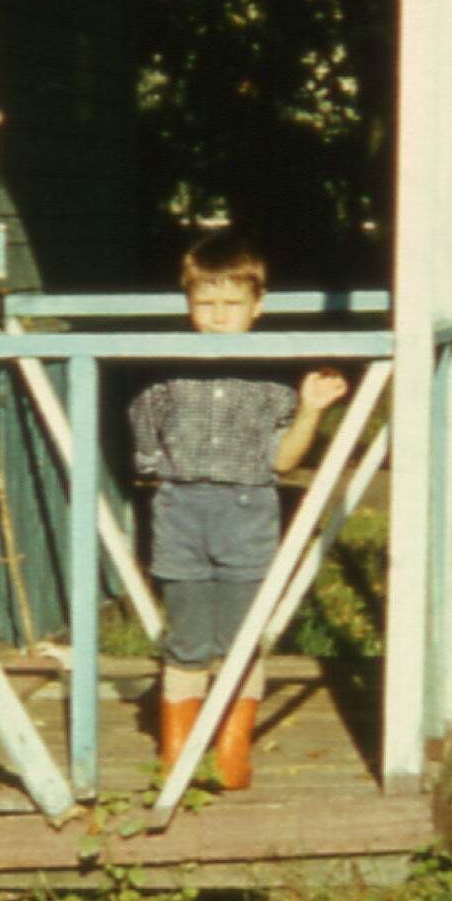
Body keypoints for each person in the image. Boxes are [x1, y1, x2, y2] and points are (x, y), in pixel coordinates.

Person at [127, 230, 347, 790]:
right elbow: (145, 436)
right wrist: (156, 473)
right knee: (187, 638)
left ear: (257, 306)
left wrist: (311, 411)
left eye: (231, 305)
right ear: (188, 304)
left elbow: (282, 461)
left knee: (243, 638)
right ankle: (177, 751)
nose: (217, 317)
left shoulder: (273, 379)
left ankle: (231, 750)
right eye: (205, 304)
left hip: (248, 510)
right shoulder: (167, 373)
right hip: (179, 508)